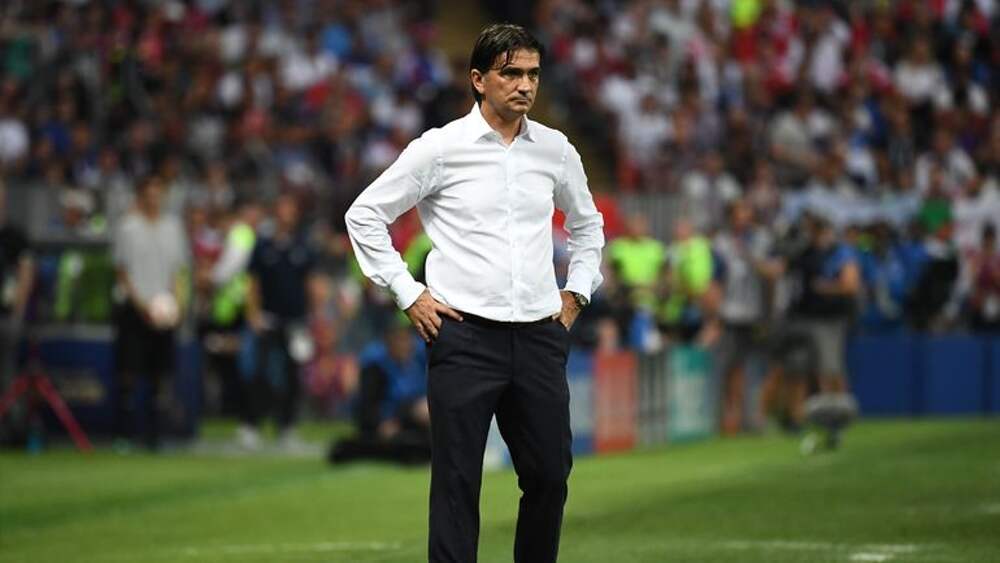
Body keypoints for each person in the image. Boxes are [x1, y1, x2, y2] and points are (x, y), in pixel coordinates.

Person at [345, 24, 605, 563]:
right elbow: (364, 215)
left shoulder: (555, 150)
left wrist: (577, 292)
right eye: (511, 73)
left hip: (539, 335)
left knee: (550, 475)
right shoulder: (440, 148)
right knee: (457, 481)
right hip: (462, 336)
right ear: (479, 80)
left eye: (533, 74)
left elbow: (588, 225)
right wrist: (408, 292)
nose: (525, 85)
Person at [112, 175, 189, 450]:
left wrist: (177, 304)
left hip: (164, 309)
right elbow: (121, 270)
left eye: (158, 194)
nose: (154, 199)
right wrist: (141, 304)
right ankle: (125, 433)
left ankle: (155, 435)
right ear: (141, 196)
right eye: (149, 194)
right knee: (128, 372)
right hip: (134, 308)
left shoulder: (173, 228)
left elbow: (178, 270)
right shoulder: (127, 227)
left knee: (161, 374)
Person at [243, 193, 318, 450]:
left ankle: (287, 426)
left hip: (295, 321)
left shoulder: (302, 245)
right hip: (268, 319)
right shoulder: (263, 245)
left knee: (292, 374)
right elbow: (253, 282)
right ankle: (251, 424)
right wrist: (253, 313)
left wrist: (312, 316)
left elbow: (310, 283)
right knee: (260, 371)